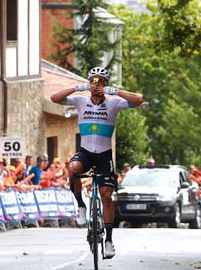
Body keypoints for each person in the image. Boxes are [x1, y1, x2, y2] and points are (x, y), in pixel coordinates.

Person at [50, 66, 143, 258]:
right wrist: (77, 87)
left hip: (104, 155)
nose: (96, 85)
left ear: (105, 84)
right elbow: (54, 99)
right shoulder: (80, 100)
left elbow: (139, 99)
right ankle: (81, 205)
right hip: (85, 152)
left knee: (106, 196)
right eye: (93, 81)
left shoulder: (114, 103)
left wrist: (115, 91)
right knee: (73, 168)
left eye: (100, 81)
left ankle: (108, 240)